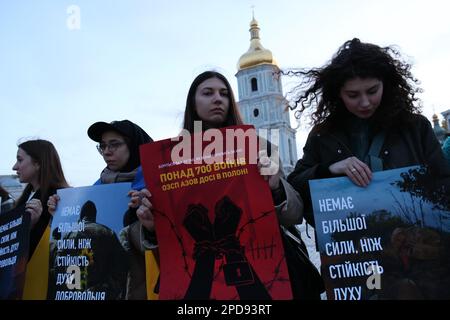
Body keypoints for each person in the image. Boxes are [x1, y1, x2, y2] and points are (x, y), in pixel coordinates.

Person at [134, 71, 324, 299]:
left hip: (267, 267)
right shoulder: (171, 161)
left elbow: (293, 216)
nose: (218, 99)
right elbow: (168, 241)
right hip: (198, 275)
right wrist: (153, 226)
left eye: (224, 94)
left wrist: (275, 188)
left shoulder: (259, 146)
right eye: (208, 93)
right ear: (192, 103)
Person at [286, 38, 450, 226]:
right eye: (353, 95)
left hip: (416, 242)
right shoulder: (323, 135)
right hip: (351, 246)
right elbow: (296, 188)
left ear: (385, 84)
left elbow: (443, 182)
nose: (364, 103)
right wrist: (329, 170)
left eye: (372, 91)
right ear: (338, 93)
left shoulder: (415, 127)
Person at [49, 120, 154, 300]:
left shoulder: (157, 181)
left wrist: (152, 211)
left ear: (135, 145)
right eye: (102, 146)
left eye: (114, 144)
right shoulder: (96, 189)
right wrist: (59, 213)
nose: (106, 151)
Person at [11, 139, 69, 299]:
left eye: (20, 160)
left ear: (38, 164)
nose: (14, 167)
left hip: (43, 287)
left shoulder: (62, 199)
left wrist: (36, 225)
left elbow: (65, 245)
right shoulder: (23, 200)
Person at [48, 200, 128, 300]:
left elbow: (58, 264)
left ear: (81, 216)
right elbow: (121, 265)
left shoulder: (69, 233)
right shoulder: (107, 232)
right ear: (94, 215)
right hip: (99, 293)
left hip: (71, 292)